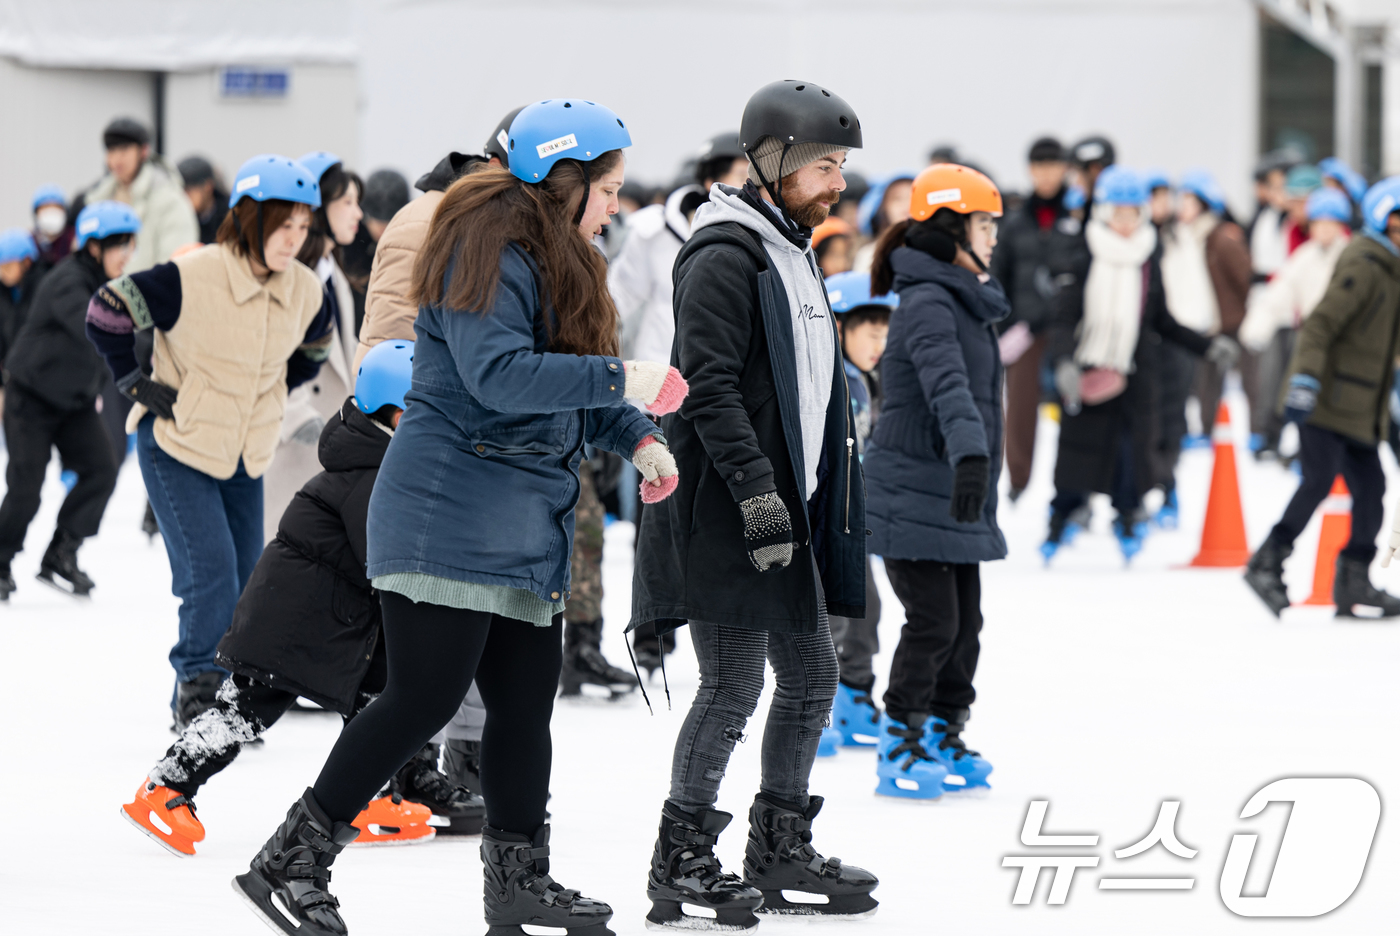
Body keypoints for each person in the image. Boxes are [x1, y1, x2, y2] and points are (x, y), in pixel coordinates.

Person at [233, 99, 681, 936]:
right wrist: (625, 381)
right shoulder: (485, 245)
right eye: (608, 187)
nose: (617, 203)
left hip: (520, 519)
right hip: (447, 510)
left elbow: (573, 375)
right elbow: (502, 376)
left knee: (524, 705)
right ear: (563, 177)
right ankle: (289, 860)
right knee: (420, 698)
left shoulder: (564, 257)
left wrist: (638, 438)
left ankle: (517, 880)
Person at [631, 79, 877, 930]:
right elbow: (708, 391)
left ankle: (776, 845)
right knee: (734, 682)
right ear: (771, 164)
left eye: (841, 165)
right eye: (821, 166)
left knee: (811, 675)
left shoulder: (793, 249)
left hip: (786, 504)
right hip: (730, 506)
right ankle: (681, 857)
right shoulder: (725, 255)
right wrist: (757, 494)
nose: (837, 182)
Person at [120, 341, 481, 855]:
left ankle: (372, 795)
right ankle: (166, 787)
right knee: (247, 710)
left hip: (331, 623)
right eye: (427, 417)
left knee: (376, 698)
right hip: (286, 627)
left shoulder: (382, 461)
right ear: (394, 414)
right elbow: (388, 556)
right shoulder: (370, 475)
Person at [86, 155, 332, 732]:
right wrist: (132, 380)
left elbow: (316, 344)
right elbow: (107, 310)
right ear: (249, 219)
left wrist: (272, 391)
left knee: (249, 576)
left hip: (244, 453)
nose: (294, 241)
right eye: (283, 226)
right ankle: (198, 693)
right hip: (177, 444)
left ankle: (231, 690)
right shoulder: (191, 275)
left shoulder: (302, 289)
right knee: (211, 573)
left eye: (303, 228)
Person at [351, 107, 523, 790]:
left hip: (476, 438)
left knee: (479, 601)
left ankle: (463, 755)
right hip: (427, 434)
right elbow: (396, 338)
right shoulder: (430, 221)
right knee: (426, 611)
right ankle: (411, 764)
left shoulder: (494, 222)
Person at [857, 164, 1007, 803]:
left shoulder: (962, 298)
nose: (994, 238)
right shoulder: (926, 302)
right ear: (952, 228)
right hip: (913, 488)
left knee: (965, 621)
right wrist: (973, 455)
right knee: (933, 622)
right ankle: (901, 738)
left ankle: (947, 727)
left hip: (950, 488)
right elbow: (948, 385)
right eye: (984, 224)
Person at [1043, 167, 1237, 562]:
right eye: (1119, 213)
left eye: (1133, 214)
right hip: (1088, 370)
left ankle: (1129, 515)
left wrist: (1205, 346)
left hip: (1135, 372)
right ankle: (1061, 516)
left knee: (1132, 452)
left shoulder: (1149, 253)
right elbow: (1064, 316)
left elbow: (1160, 317)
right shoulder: (1083, 252)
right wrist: (1064, 362)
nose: (1126, 223)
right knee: (1077, 451)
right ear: (1103, 212)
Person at [609, 130, 750, 678]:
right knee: (660, 515)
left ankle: (723, 635)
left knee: (713, 511)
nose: (748, 181)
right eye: (739, 170)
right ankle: (652, 632)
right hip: (661, 392)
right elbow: (618, 305)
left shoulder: (750, 229)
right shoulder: (650, 232)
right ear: (711, 174)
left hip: (719, 388)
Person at [1245, 177, 1400, 619]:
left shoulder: (1391, 271)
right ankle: (1267, 562)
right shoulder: (1366, 264)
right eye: (1395, 225)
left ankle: (1354, 582)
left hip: (1361, 407)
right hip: (1328, 400)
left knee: (1372, 488)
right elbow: (1319, 325)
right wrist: (1305, 381)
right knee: (1317, 481)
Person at [0, 204, 136, 600]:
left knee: (102, 469)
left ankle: (62, 552)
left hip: (73, 402)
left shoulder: (113, 283)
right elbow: (96, 326)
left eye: (130, 246)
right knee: (27, 485)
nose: (126, 255)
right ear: (94, 248)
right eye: (119, 247)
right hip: (31, 399)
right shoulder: (69, 281)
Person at [262, 152, 364, 536]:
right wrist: (296, 415)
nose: (357, 213)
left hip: (326, 439)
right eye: (346, 202)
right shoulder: (289, 276)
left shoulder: (331, 273)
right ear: (318, 207)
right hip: (291, 438)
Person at [816, 270, 893, 754]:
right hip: (826, 518)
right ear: (840, 328)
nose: (879, 343)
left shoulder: (866, 378)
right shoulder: (828, 378)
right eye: (871, 332)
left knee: (869, 609)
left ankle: (855, 696)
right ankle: (816, 704)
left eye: (885, 333)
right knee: (832, 617)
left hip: (855, 518)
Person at [989, 136, 1082, 503]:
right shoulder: (1015, 221)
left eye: (1053, 165)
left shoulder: (1078, 216)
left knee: (1074, 404)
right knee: (1021, 408)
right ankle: (1018, 478)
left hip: (1068, 330)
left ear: (1065, 169)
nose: (1046, 174)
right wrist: (1007, 323)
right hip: (1024, 330)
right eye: (1039, 166)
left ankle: (1073, 489)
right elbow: (999, 274)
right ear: (1030, 170)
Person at [1238, 188, 1352, 459]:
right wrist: (1256, 328)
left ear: (1340, 226)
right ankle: (1297, 447)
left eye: (1330, 224)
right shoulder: (1305, 256)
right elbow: (1279, 293)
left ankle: (1330, 453)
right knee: (1301, 394)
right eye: (1318, 224)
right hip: (1311, 340)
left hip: (1346, 343)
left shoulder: (1352, 256)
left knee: (1336, 401)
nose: (1323, 230)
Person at [80, 117, 199, 274]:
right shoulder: (98, 199)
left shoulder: (169, 199)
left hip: (149, 294)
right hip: (104, 295)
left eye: (124, 150)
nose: (116, 159)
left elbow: (177, 262)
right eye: (111, 150)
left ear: (143, 151)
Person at [0, 229, 44, 376]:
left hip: (39, 371)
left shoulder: (42, 287)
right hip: (12, 371)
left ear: (26, 262)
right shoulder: (4, 292)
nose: (2, 273)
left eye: (7, 267)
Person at [851, 170, 915, 272]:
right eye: (897, 199)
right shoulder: (869, 254)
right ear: (883, 208)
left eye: (912, 197)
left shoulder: (935, 248)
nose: (906, 205)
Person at [177, 155, 230, 245]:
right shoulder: (177, 218)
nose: (183, 196)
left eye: (188, 190)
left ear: (208, 186)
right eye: (180, 191)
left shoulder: (230, 216)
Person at [31, 185, 72, 269]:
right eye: (45, 208)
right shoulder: (30, 242)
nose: (51, 213)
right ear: (36, 214)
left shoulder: (73, 239)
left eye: (56, 207)